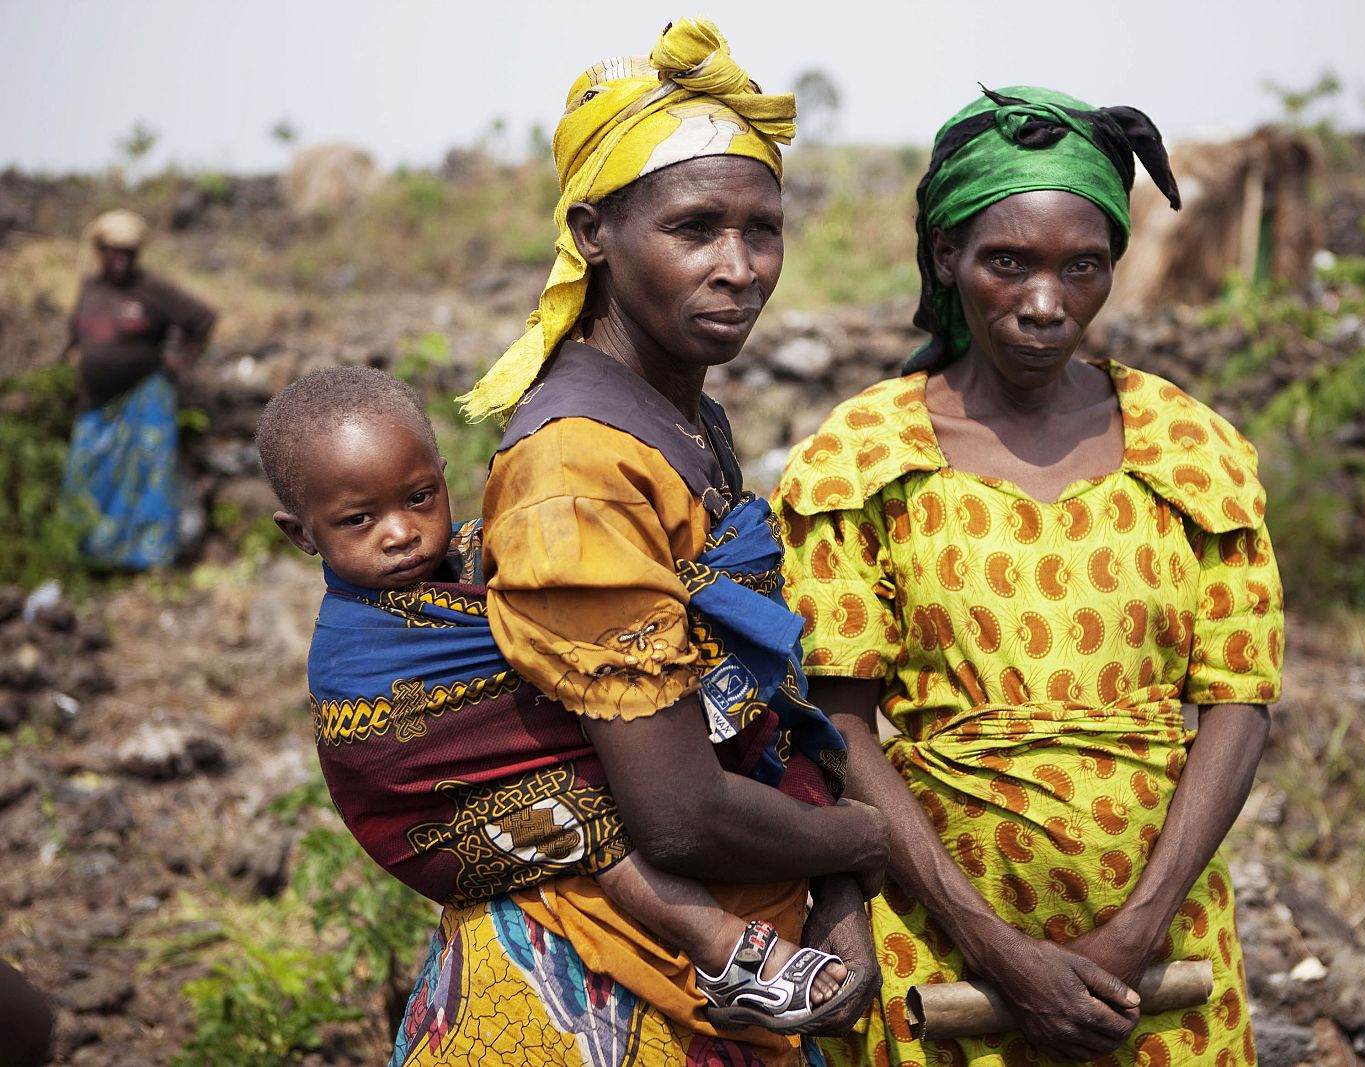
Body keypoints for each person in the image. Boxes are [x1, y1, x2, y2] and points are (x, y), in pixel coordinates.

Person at [386, 19, 888, 1066]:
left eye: (763, 230)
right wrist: (869, 837)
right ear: (592, 231)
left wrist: (831, 887)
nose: (740, 267)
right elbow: (676, 814)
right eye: (695, 228)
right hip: (597, 982)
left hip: (712, 971)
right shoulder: (578, 463)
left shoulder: (683, 419)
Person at [777, 86, 1284, 1066]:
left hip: (1157, 962)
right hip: (944, 950)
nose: (1045, 301)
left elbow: (1237, 701)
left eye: (1081, 266)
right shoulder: (864, 456)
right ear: (946, 258)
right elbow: (835, 720)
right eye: (1007, 262)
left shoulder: (1191, 449)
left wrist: (1138, 925)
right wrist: (994, 947)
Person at [255, 366, 858, 1035]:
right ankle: (724, 949)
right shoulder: (357, 645)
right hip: (448, 809)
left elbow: (559, 622)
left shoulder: (484, 549)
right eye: (359, 519)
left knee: (644, 776)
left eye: (420, 497)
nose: (399, 532)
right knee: (599, 827)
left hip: (550, 776)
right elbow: (386, 754)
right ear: (301, 533)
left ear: (444, 474)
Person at [60, 209, 215, 570]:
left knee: (146, 479)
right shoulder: (91, 287)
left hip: (142, 400)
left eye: (127, 253)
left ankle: (145, 559)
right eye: (113, 252)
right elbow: (76, 330)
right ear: (100, 251)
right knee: (86, 473)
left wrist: (180, 360)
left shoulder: (151, 289)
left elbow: (203, 319)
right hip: (94, 402)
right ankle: (88, 557)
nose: (119, 261)